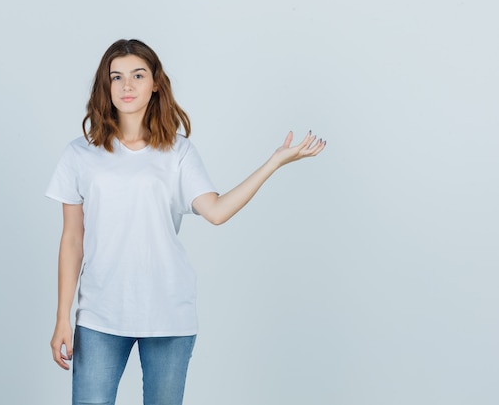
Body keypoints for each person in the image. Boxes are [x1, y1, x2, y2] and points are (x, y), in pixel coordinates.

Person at [46, 39, 326, 405]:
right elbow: (72, 240)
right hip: (100, 316)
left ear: (156, 83)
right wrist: (62, 318)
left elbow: (216, 211)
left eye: (137, 75)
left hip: (167, 314)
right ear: (106, 85)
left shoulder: (178, 152)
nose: (126, 86)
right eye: (116, 77)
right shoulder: (80, 154)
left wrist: (272, 163)